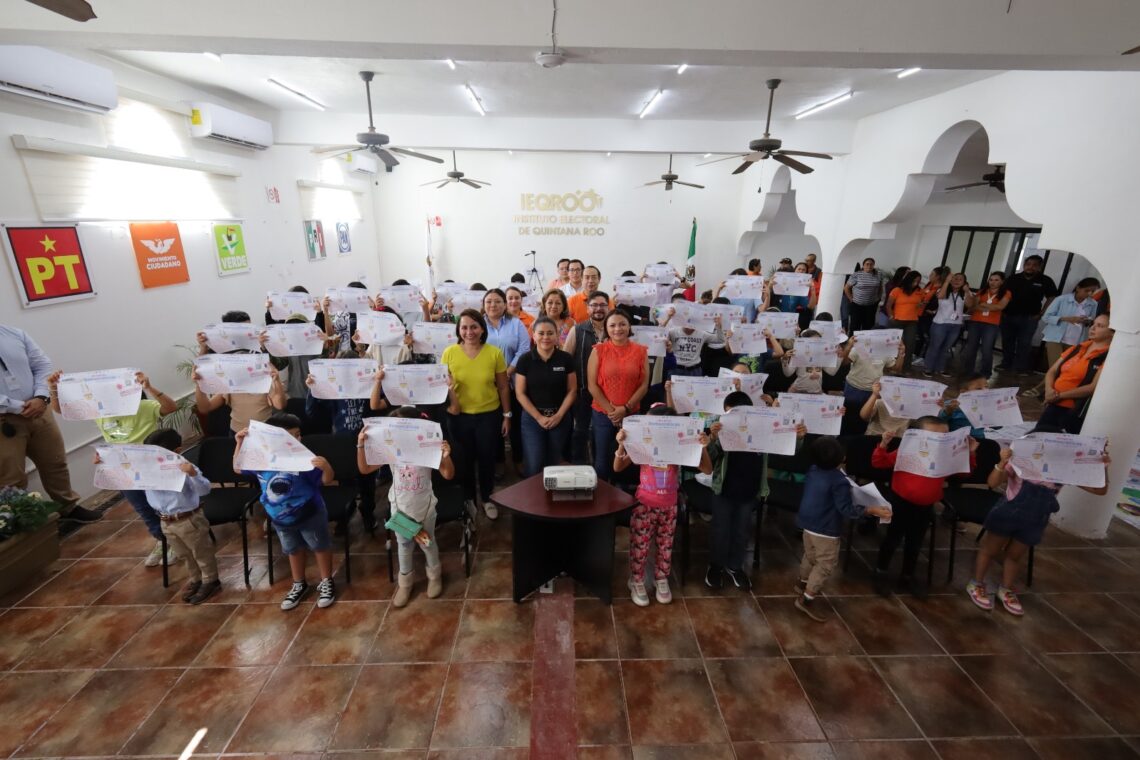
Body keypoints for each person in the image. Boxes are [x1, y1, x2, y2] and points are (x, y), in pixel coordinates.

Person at [967, 429, 1110, 616]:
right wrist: (1002, 462)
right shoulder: (1020, 463)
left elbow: (1100, 490)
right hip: (1006, 514)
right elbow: (992, 483)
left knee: (1015, 556)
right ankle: (977, 583)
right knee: (990, 550)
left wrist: (1102, 467)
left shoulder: (1063, 470)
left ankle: (1006, 589)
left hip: (1035, 520)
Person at [47, 369, 178, 565]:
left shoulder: (143, 406)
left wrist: (149, 387)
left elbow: (171, 407)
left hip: (150, 466)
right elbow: (61, 410)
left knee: (162, 504)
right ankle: (162, 540)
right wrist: (54, 389)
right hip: (121, 468)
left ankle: (176, 540)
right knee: (142, 507)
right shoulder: (100, 412)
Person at [234, 412, 337, 611]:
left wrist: (326, 467)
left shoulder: (305, 459)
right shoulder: (261, 459)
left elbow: (327, 480)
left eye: (298, 435)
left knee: (319, 546)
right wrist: (239, 443)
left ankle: (326, 580)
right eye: (291, 436)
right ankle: (299, 583)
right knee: (292, 549)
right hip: (280, 519)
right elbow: (238, 468)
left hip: (310, 514)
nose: (297, 439)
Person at [706, 391, 807, 590]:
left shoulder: (763, 429)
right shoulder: (722, 430)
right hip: (723, 490)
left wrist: (798, 437)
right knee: (720, 531)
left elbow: (786, 447)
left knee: (742, 531)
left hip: (750, 490)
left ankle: (735, 566)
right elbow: (710, 458)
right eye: (729, 415)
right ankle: (716, 566)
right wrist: (714, 437)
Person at [613, 405, 712, 606]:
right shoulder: (643, 445)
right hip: (644, 504)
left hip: (669, 505)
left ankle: (661, 578)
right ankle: (636, 580)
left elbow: (707, 469)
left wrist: (702, 446)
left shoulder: (678, 447)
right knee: (640, 545)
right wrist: (622, 445)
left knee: (666, 546)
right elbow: (617, 467)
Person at [357, 406, 455, 607]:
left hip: (424, 508)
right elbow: (365, 469)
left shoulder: (427, 448)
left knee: (428, 543)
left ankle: (435, 576)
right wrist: (360, 445)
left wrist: (446, 457)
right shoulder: (391, 450)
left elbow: (448, 474)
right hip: (400, 508)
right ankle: (405, 583)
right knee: (403, 545)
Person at [871, 417, 978, 598]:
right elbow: (879, 462)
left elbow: (963, 473)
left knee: (915, 542)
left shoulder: (946, 456)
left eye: (944, 436)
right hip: (900, 502)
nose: (939, 440)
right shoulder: (908, 450)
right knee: (892, 539)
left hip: (925, 506)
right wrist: (883, 444)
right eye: (933, 436)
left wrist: (970, 452)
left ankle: (907, 576)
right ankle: (881, 571)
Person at [0, 325, 96, 522]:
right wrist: (17, 407)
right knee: (11, 478)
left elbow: (42, 365)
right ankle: (19, 523)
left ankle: (68, 507)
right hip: (5, 419)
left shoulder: (14, 334)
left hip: (39, 410)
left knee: (55, 462)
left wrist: (41, 396)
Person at [794, 436, 891, 622]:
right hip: (826, 529)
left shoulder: (813, 470)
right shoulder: (839, 481)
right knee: (824, 564)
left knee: (810, 555)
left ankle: (802, 582)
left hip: (807, 523)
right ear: (843, 458)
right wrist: (870, 510)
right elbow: (846, 509)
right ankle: (806, 598)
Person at [441, 309, 510, 519]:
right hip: (459, 417)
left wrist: (507, 415)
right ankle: (469, 498)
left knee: (487, 458)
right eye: (464, 327)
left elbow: (503, 387)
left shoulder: (494, 353)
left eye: (474, 327)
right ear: (458, 330)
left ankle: (488, 497)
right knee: (465, 459)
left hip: (488, 416)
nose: (469, 332)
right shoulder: (449, 353)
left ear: (482, 329)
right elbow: (441, 386)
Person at [140, 428, 221, 604]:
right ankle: (196, 579)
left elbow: (204, 490)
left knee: (201, 552)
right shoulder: (147, 469)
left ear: (176, 451)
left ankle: (211, 580)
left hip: (189, 519)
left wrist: (192, 474)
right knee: (184, 554)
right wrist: (104, 463)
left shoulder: (185, 467)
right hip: (166, 520)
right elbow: (124, 476)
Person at [305, 353, 383, 532]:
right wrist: (312, 389)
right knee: (345, 480)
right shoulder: (333, 389)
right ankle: (346, 511)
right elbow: (312, 412)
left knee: (367, 482)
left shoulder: (368, 384)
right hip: (342, 442)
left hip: (367, 439)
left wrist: (378, 380)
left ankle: (368, 513)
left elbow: (379, 407)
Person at [586, 309, 649, 481]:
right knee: (602, 459)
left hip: (631, 413)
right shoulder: (598, 350)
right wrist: (612, 412)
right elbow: (592, 385)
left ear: (629, 327)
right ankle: (601, 494)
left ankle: (622, 493)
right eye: (612, 325)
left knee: (629, 458)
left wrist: (625, 408)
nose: (617, 329)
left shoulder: (641, 351)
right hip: (602, 414)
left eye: (622, 324)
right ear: (606, 328)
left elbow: (644, 385)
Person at [515, 317, 576, 477]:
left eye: (550, 333)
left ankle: (550, 492)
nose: (545, 337)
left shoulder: (566, 359)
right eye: (541, 333)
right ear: (534, 335)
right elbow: (520, 393)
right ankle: (532, 493)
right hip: (532, 419)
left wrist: (559, 415)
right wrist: (538, 417)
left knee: (554, 462)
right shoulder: (525, 360)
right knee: (534, 464)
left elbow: (572, 390)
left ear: (557, 335)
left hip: (560, 418)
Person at [1024, 277, 1101, 398]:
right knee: (1056, 367)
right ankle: (1040, 389)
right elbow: (1046, 317)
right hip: (1056, 338)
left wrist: (1087, 321)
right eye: (1087, 290)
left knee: (1065, 368)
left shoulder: (1093, 304)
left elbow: (1094, 321)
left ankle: (1051, 391)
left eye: (1093, 291)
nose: (1089, 294)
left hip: (1076, 341)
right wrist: (1066, 319)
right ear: (1078, 288)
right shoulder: (1062, 299)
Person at [1038, 313, 1112, 434]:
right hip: (1054, 401)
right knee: (1039, 436)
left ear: (1112, 332)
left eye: (1100, 326)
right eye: (1093, 324)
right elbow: (1053, 370)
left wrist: (1058, 396)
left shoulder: (1107, 357)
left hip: (1074, 409)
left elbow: (1092, 387)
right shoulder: (1078, 348)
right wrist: (1048, 390)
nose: (1093, 328)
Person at [562, 291, 609, 464]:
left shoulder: (615, 329)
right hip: (583, 391)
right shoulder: (577, 330)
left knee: (602, 432)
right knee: (581, 431)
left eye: (602, 305)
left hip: (609, 393)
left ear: (608, 307)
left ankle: (601, 469)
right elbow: (566, 360)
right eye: (594, 305)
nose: (598, 309)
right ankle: (579, 466)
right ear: (587, 308)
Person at [1000, 254, 1058, 374]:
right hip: (1008, 316)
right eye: (1028, 264)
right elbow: (1002, 294)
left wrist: (1042, 313)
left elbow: (1052, 297)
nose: (1030, 267)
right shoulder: (1013, 278)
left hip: (1030, 318)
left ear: (1039, 267)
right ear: (1024, 265)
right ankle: (1006, 364)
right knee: (1007, 341)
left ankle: (1020, 368)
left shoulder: (1045, 280)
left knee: (1024, 343)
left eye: (1034, 265)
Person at [193, 361, 287, 436]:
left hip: (263, 431)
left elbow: (280, 405)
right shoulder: (231, 385)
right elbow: (205, 407)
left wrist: (277, 381)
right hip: (237, 432)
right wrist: (199, 384)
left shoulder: (265, 383)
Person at [839, 336, 904, 435]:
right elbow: (844, 362)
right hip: (853, 388)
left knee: (866, 419)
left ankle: (860, 438)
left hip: (873, 392)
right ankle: (844, 438)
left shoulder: (885, 352)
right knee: (847, 417)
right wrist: (849, 346)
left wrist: (901, 354)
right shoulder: (858, 348)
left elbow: (896, 368)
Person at [922, 272, 975, 377]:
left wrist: (967, 291)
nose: (957, 281)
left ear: (964, 282)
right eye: (954, 278)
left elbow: (970, 305)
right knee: (935, 346)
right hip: (940, 324)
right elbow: (940, 296)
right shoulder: (943, 290)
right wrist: (946, 281)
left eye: (960, 279)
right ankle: (928, 368)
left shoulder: (965, 293)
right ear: (950, 280)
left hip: (955, 325)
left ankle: (940, 368)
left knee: (946, 348)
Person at [960, 271, 1010, 377]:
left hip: (991, 324)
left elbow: (1000, 306)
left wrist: (983, 304)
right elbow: (973, 306)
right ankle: (968, 371)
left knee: (986, 349)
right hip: (976, 321)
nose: (993, 282)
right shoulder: (983, 291)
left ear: (1002, 282)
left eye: (996, 280)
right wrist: (986, 306)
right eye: (991, 280)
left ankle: (986, 373)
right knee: (971, 347)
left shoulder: (1006, 293)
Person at [659, 300, 724, 379]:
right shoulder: (673, 331)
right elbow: (659, 337)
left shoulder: (702, 334)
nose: (690, 325)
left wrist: (718, 326)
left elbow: (720, 340)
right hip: (676, 369)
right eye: (687, 321)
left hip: (695, 371)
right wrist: (668, 318)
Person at [885, 270, 926, 371]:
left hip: (912, 321)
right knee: (895, 345)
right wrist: (891, 317)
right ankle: (892, 366)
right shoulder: (897, 290)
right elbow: (888, 305)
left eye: (918, 281)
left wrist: (920, 305)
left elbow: (921, 302)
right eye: (914, 281)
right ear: (909, 280)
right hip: (897, 320)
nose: (916, 283)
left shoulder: (920, 291)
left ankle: (906, 368)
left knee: (910, 345)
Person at [843, 258, 883, 333]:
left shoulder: (878, 274)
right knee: (855, 326)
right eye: (867, 264)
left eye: (871, 264)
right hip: (857, 305)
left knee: (868, 325)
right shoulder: (857, 274)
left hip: (871, 305)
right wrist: (851, 299)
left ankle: (866, 340)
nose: (869, 266)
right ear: (863, 265)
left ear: (873, 265)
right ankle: (852, 340)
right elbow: (846, 288)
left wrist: (879, 297)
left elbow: (880, 287)